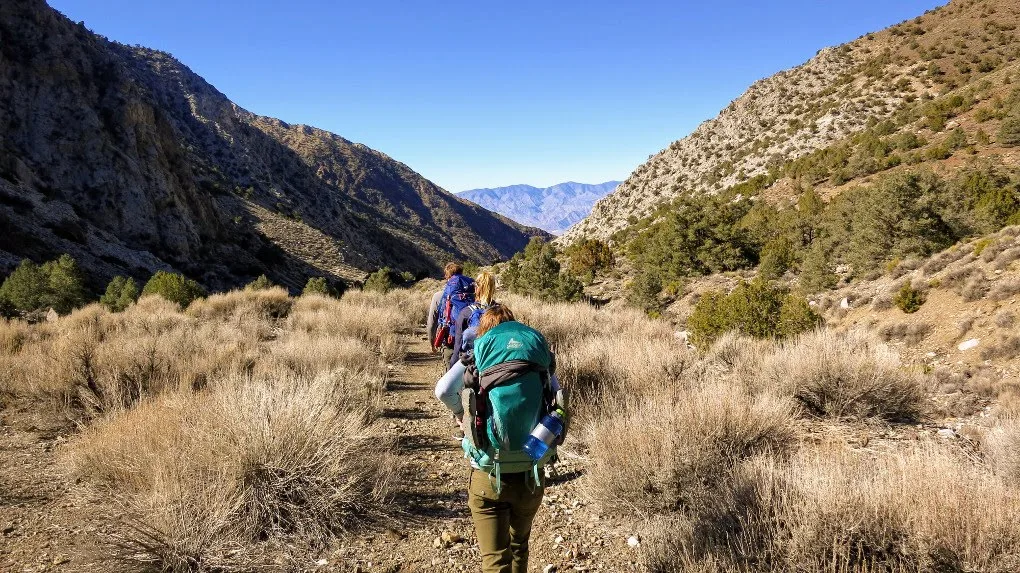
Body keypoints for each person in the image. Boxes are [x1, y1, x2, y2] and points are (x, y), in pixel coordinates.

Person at [434, 305, 566, 573]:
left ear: (485, 330)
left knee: (495, 560)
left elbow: (443, 390)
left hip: (488, 473)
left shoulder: (478, 352)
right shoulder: (536, 356)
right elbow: (558, 398)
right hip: (531, 472)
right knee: (520, 546)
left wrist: (462, 415)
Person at [448, 270, 496, 370]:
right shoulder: (503, 312)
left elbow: (458, 347)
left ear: (476, 288)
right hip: (496, 363)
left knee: (443, 386)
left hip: (472, 366)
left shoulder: (466, 313)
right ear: (493, 289)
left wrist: (451, 368)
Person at [433, 262, 475, 368]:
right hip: (472, 330)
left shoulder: (450, 285)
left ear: (448, 274)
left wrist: (439, 329)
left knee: (450, 362)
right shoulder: (470, 282)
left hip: (452, 333)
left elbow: (443, 309)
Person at [425, 288, 444, 354]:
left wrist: (432, 343)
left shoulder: (438, 295)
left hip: (448, 338)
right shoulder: (471, 294)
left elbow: (431, 324)